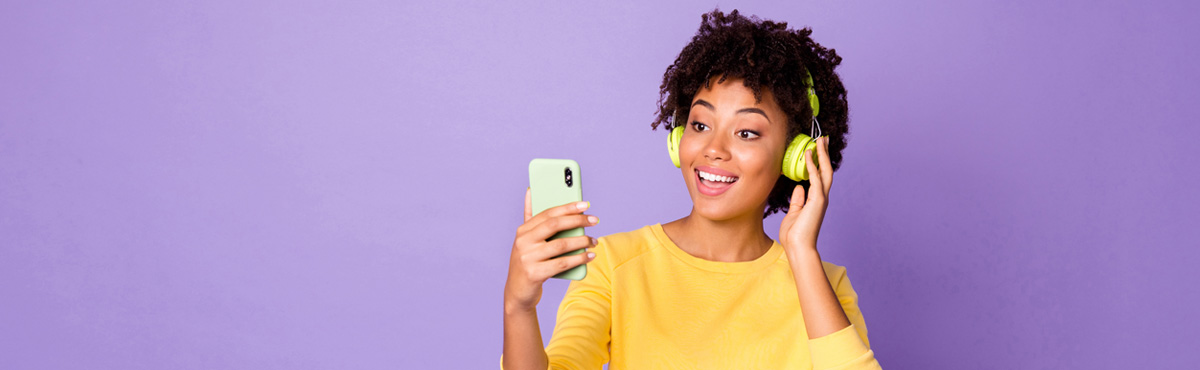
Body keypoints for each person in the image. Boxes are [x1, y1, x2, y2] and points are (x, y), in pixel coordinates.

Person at [503, 9, 880, 370]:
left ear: (795, 155)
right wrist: (518, 307)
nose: (713, 149)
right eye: (700, 125)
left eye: (746, 132)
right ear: (679, 137)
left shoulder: (823, 283)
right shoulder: (616, 265)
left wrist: (801, 255)